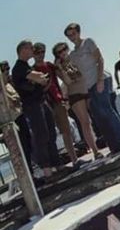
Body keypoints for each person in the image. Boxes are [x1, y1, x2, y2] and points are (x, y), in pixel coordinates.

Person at [64, 23, 120, 154]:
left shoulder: (88, 42)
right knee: (98, 116)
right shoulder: (72, 54)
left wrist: (100, 80)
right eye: (69, 36)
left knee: (106, 110)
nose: (72, 37)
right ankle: (113, 145)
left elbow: (100, 59)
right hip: (87, 87)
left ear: (78, 32)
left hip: (100, 79)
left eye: (73, 34)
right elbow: (74, 74)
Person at [11, 39, 60, 181]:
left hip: (41, 101)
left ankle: (57, 165)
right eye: (30, 48)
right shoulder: (19, 68)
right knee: (41, 135)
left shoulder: (27, 66)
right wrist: (39, 78)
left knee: (51, 132)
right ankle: (47, 171)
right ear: (23, 50)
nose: (33, 50)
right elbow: (38, 78)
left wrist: (41, 79)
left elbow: (42, 79)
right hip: (32, 105)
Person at [52, 41, 102, 160]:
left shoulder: (74, 58)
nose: (63, 53)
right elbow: (68, 81)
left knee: (98, 115)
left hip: (87, 88)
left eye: (64, 49)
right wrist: (61, 67)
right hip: (75, 94)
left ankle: (105, 141)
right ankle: (95, 151)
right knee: (85, 122)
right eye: (59, 52)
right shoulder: (59, 67)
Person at [32, 42, 78, 169]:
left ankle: (74, 160)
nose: (40, 55)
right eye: (37, 52)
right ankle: (55, 165)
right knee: (49, 135)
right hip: (44, 104)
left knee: (66, 131)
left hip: (57, 101)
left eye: (42, 51)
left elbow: (65, 79)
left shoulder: (50, 66)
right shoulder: (32, 71)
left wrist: (59, 67)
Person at [1, 59, 34, 170]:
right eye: (3, 69)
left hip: (20, 116)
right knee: (19, 150)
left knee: (28, 145)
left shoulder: (9, 85)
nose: (6, 71)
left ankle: (31, 172)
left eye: (7, 68)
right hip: (10, 121)